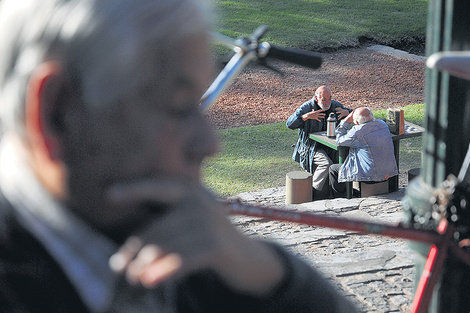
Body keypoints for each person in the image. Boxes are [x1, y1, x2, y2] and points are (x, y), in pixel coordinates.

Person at [0, 0, 359, 312]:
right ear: (57, 115)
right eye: (178, 107)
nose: (210, 145)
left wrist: (267, 273)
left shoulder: (182, 242)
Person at [286, 85, 351, 199]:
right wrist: (306, 117)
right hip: (311, 147)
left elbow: (360, 115)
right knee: (326, 163)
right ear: (316, 98)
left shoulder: (335, 106)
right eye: (324, 99)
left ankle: (341, 192)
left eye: (329, 98)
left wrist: (348, 113)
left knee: (346, 157)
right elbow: (289, 124)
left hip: (331, 145)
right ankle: (314, 193)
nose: (327, 102)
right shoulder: (307, 107)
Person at [329, 107, 399, 197]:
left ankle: (342, 197)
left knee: (333, 169)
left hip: (369, 175)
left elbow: (340, 141)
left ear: (357, 122)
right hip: (388, 172)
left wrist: (346, 121)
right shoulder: (383, 125)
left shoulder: (357, 131)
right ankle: (355, 192)